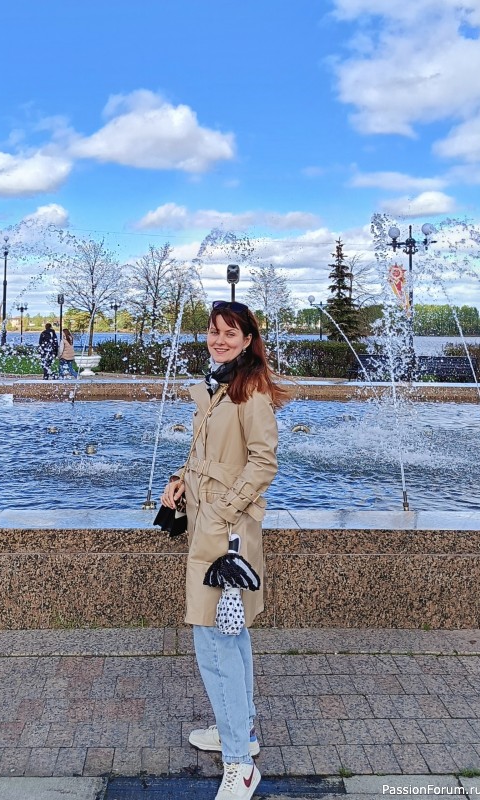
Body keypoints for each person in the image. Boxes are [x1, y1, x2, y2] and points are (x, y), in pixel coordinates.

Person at [161, 300, 289, 800]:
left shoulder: (251, 391)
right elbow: (206, 451)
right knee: (230, 637)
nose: (219, 340)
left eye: (230, 333)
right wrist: (179, 479)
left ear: (248, 339)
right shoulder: (220, 386)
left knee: (214, 643)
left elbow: (264, 462)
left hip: (225, 531)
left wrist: (223, 509)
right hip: (208, 522)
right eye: (214, 331)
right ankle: (242, 730)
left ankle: (239, 764)